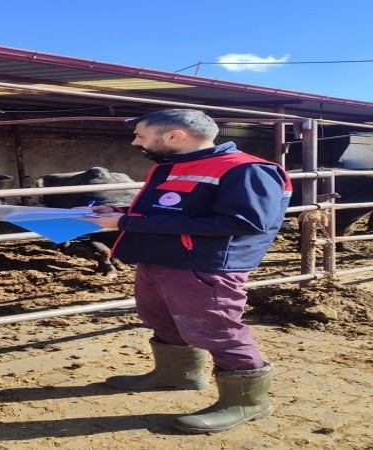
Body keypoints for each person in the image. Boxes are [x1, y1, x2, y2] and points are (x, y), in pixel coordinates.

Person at [77, 108, 292, 434]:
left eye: (141, 136)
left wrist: (125, 222)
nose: (136, 143)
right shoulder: (173, 167)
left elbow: (244, 222)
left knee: (218, 331)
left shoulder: (246, 169)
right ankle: (177, 374)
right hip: (159, 258)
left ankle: (247, 402)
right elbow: (170, 209)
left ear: (175, 136)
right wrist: (119, 210)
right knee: (160, 318)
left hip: (204, 265)